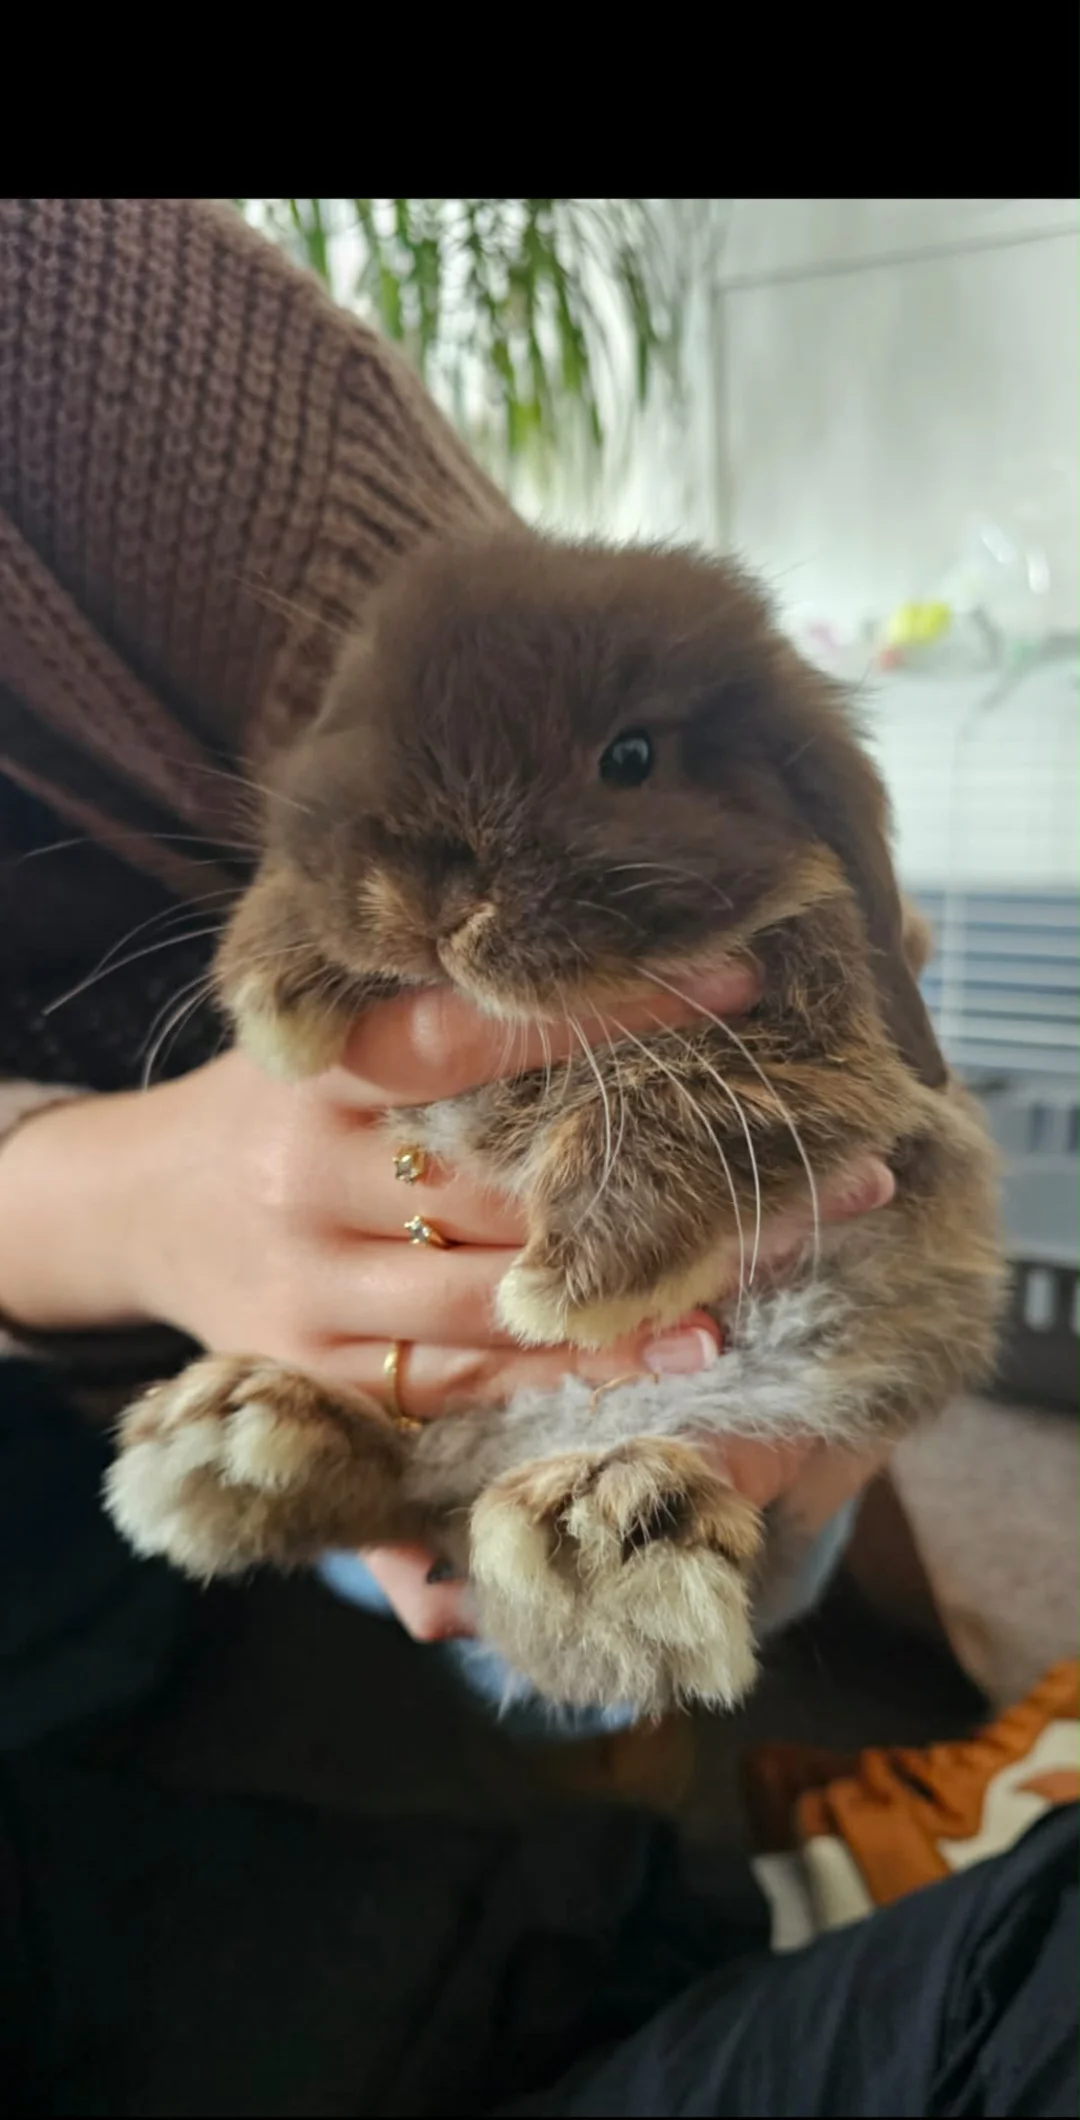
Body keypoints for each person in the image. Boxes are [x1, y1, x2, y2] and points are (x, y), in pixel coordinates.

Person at [0, 196, 892, 1764]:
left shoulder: (83, 306)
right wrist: (99, 1200)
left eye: (624, 766)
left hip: (629, 1339)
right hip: (139, 1387)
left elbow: (875, 1035)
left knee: (638, 1606)